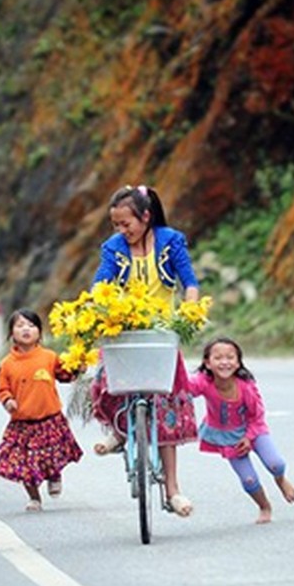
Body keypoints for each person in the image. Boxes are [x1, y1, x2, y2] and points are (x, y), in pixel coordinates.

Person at [89, 184, 201, 517]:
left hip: (162, 333)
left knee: (165, 408)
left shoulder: (170, 241)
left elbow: (189, 282)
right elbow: (101, 282)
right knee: (106, 380)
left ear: (146, 217)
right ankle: (119, 431)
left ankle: (173, 490)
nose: (123, 231)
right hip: (124, 327)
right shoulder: (113, 248)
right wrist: (95, 305)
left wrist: (190, 310)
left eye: (127, 224)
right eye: (117, 225)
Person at [186, 336, 294, 524]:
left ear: (238, 363)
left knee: (275, 463)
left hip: (253, 429)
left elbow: (257, 415)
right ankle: (264, 506)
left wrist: (248, 437)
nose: (224, 362)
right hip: (226, 436)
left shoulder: (245, 386)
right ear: (208, 362)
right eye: (218, 358)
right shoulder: (204, 382)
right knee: (249, 480)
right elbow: (185, 387)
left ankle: (280, 480)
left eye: (230, 357)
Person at [0, 309, 85, 511]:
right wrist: (8, 401)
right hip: (22, 423)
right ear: (11, 333)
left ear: (40, 332)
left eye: (31, 326)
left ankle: (55, 475)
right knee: (25, 464)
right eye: (20, 325)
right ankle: (34, 498)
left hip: (50, 418)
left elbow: (64, 375)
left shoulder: (49, 357)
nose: (26, 330)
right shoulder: (7, 364)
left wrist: (76, 368)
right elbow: (2, 389)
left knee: (53, 455)